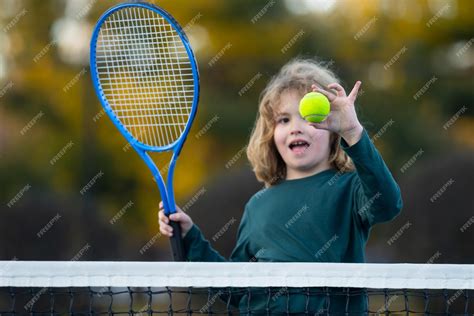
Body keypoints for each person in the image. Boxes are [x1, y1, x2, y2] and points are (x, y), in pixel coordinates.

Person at [158, 58, 403, 314]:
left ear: (333, 132)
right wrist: (189, 238)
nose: (296, 128)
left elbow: (388, 204)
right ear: (271, 134)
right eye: (284, 120)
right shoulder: (257, 205)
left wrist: (353, 131)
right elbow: (236, 289)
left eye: (309, 117)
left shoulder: (351, 189)